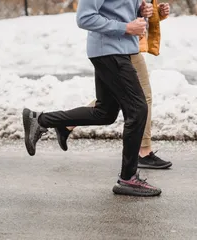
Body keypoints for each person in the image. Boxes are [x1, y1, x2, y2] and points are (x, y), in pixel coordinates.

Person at [22, 0, 162, 197]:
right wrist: (126, 27)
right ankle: (128, 178)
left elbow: (120, 9)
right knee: (138, 110)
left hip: (120, 50)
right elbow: (85, 17)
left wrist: (142, 9)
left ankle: (40, 120)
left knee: (104, 113)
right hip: (110, 51)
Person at [54, 1, 172, 169]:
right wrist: (127, 27)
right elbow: (87, 17)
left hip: (126, 45)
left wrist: (153, 11)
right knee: (141, 100)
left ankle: (62, 124)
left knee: (113, 102)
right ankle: (142, 152)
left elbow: (124, 10)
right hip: (114, 47)